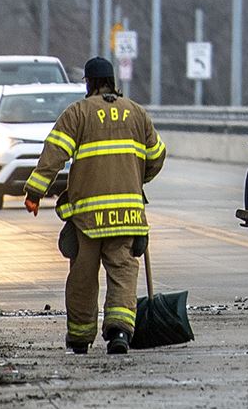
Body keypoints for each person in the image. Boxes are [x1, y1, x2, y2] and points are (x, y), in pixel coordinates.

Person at [24, 57, 166, 355]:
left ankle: (79, 337)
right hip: (127, 214)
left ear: (88, 83)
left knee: (82, 277)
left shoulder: (78, 113)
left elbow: (54, 154)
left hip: (87, 218)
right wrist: (137, 177)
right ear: (113, 81)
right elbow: (157, 155)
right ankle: (119, 332)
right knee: (123, 271)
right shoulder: (137, 113)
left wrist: (35, 191)